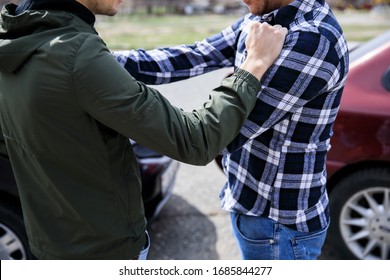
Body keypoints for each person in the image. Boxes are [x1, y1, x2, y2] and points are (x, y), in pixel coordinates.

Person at [0, 0, 286, 260]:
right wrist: (253, 66)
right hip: (106, 253)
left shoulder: (16, 42)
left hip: (49, 246)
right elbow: (195, 140)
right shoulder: (76, 55)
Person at [114, 0, 349, 259]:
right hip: (248, 203)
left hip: (278, 224)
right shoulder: (264, 17)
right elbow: (196, 55)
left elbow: (217, 133)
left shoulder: (313, 41)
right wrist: (104, 62)